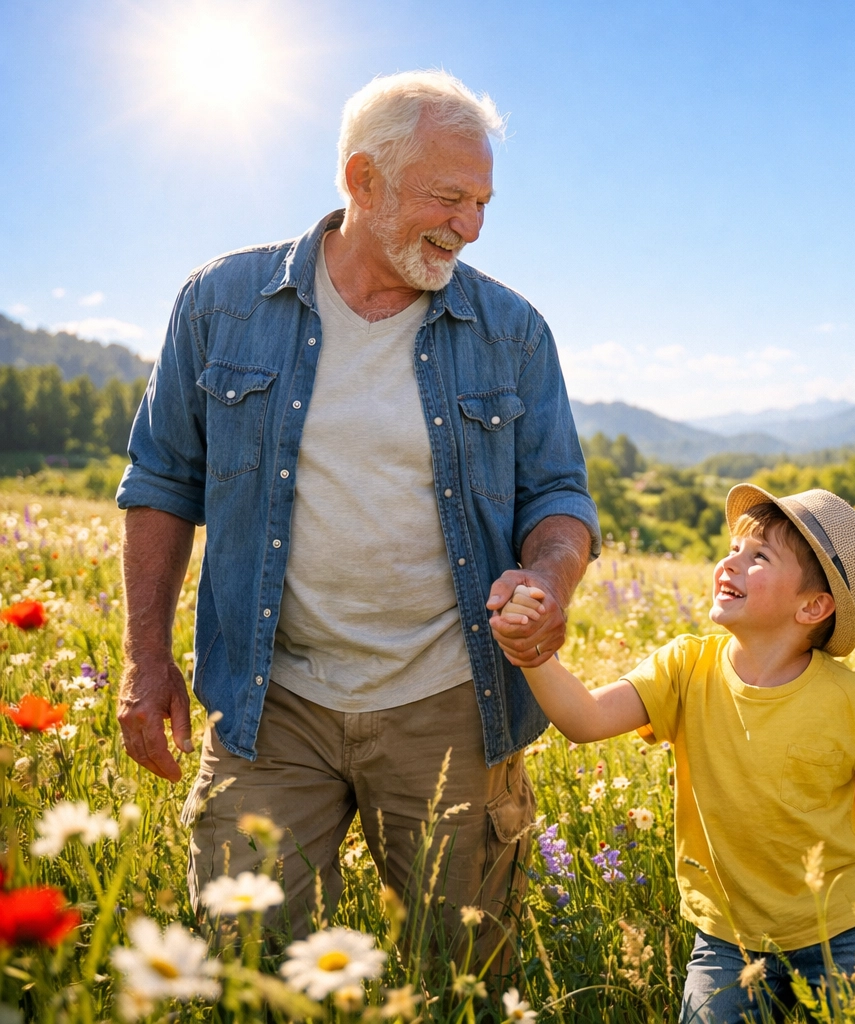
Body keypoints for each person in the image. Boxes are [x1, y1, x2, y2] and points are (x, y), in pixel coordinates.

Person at [114, 71, 600, 950]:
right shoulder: (221, 304)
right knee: (245, 966)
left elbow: (559, 497)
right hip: (268, 702)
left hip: (450, 702)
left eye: (483, 203)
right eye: (448, 198)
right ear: (362, 180)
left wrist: (549, 579)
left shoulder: (512, 331)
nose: (471, 226)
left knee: (462, 977)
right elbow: (161, 482)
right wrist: (145, 660)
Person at [501, 485, 855, 1022]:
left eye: (759, 556)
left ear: (813, 606)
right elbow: (584, 720)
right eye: (734, 548)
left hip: (845, 930)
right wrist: (532, 648)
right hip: (728, 937)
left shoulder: (851, 699)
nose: (730, 562)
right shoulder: (685, 667)